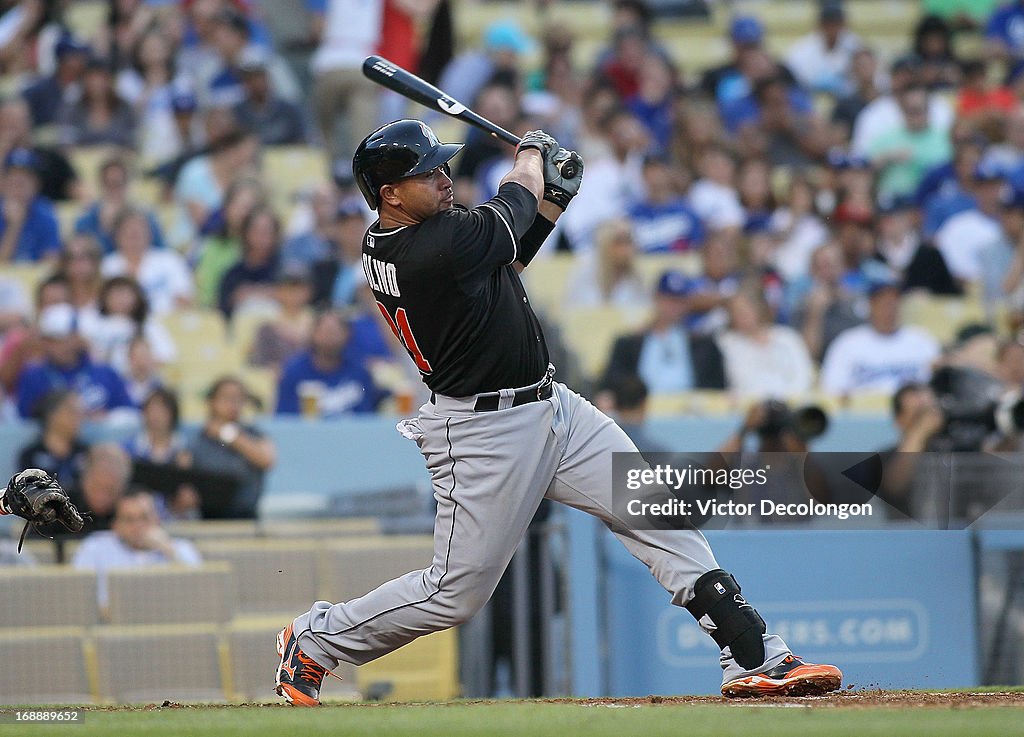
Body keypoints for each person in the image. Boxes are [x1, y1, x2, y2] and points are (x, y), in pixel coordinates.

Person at [273, 119, 841, 706]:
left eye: (444, 167)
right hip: (483, 431)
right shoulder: (421, 247)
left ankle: (754, 654)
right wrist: (530, 160)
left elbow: (504, 263)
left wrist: (552, 203)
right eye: (428, 172)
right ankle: (319, 638)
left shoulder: (435, 239)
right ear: (390, 194)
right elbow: (504, 216)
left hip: (553, 406)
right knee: (455, 593)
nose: (444, 178)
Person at [71, 490, 202, 610]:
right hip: (111, 627)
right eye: (129, 520)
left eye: (144, 517)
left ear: (157, 519)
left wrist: (167, 549)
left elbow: (201, 589)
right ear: (116, 525)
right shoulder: (94, 548)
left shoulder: (179, 548)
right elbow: (78, 594)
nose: (138, 526)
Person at [820, 279, 941, 399]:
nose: (889, 309)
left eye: (893, 302)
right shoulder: (847, 343)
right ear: (871, 305)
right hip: (864, 414)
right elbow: (833, 390)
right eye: (883, 303)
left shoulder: (922, 340)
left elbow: (934, 386)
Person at [188, 375, 275, 519]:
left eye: (238, 398)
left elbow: (267, 460)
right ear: (212, 401)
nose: (233, 403)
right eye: (226, 397)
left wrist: (227, 434)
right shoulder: (199, 439)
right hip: (208, 516)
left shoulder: (254, 434)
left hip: (245, 514)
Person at [274, 308, 380, 417]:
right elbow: (283, 419)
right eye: (326, 331)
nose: (330, 337)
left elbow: (367, 418)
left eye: (336, 332)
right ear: (313, 333)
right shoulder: (293, 372)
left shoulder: (360, 372)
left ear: (347, 335)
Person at [16, 388, 90, 492]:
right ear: (51, 415)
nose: (78, 418)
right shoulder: (31, 455)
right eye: (72, 411)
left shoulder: (85, 453)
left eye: (80, 412)